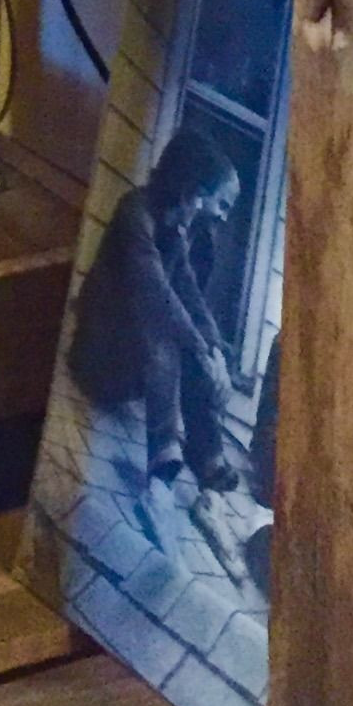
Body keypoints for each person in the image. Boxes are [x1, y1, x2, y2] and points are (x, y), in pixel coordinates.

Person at [67, 122, 243, 493]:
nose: (205, 211)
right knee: (166, 325)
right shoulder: (135, 214)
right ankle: (164, 447)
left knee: (198, 338)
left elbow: (190, 295)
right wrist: (199, 347)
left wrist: (215, 354)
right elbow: (157, 294)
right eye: (208, 199)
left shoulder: (175, 233)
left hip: (132, 370)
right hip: (96, 359)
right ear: (187, 189)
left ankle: (206, 452)